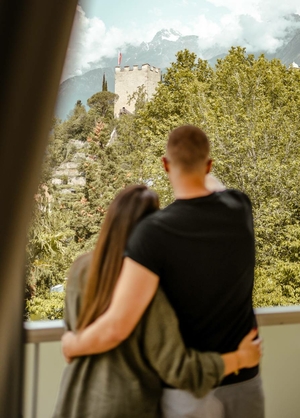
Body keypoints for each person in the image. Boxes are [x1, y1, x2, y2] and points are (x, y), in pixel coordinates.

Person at [62, 126, 264, 418]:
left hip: (188, 391)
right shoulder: (239, 206)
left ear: (165, 164)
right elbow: (214, 184)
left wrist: (71, 344)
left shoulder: (153, 234)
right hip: (246, 377)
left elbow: (118, 324)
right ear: (209, 165)